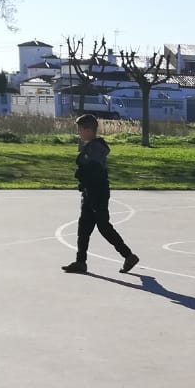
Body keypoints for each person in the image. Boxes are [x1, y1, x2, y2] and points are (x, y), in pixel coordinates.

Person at [61, 114, 139, 277]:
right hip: (89, 193)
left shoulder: (95, 148)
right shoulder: (90, 147)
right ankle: (80, 262)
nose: (78, 133)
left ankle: (128, 256)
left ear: (89, 130)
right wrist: (83, 181)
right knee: (84, 227)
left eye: (80, 130)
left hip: (97, 193)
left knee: (104, 227)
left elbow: (94, 171)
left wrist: (82, 175)